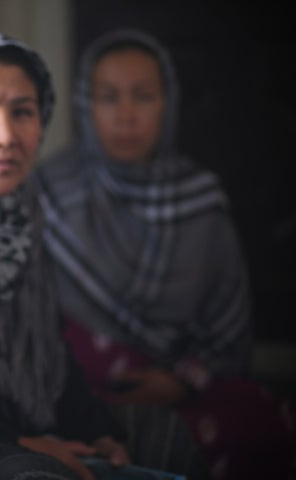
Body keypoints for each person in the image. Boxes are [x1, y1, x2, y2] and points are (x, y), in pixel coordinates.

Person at [0, 23, 205, 480]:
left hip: (13, 418)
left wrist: (100, 432)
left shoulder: (19, 210)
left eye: (23, 112)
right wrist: (13, 441)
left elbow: (47, 349)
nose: (6, 135)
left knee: (161, 437)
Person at [37, 28, 296, 480]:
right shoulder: (49, 194)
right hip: (71, 391)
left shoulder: (201, 198)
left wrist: (181, 380)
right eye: (108, 97)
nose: (126, 115)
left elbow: (227, 321)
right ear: (85, 105)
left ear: (169, 103)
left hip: (188, 389)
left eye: (144, 96)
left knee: (260, 426)